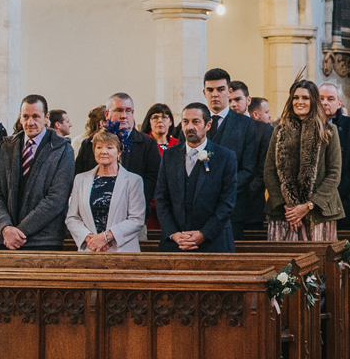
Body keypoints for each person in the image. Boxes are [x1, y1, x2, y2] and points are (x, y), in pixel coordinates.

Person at [0, 94, 75, 250]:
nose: (30, 122)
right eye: (25, 117)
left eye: (36, 116)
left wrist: (20, 232)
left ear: (46, 118)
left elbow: (57, 198)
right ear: (20, 118)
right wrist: (5, 227)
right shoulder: (6, 146)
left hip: (44, 241)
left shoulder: (62, 149)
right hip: (6, 240)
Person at [262, 80, 343, 241]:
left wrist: (308, 206)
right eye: (295, 97)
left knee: (319, 262)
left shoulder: (328, 131)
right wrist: (289, 208)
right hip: (284, 213)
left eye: (305, 98)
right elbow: (269, 172)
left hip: (319, 212)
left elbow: (334, 174)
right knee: (284, 264)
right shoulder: (279, 130)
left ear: (314, 100)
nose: (299, 102)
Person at [155, 102, 237, 252]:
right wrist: (174, 233)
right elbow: (161, 197)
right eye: (185, 122)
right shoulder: (169, 155)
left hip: (214, 243)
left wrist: (203, 233)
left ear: (208, 125)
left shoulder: (225, 157)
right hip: (175, 243)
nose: (189, 127)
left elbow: (227, 202)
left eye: (196, 122)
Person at [202, 68, 265, 236]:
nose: (215, 94)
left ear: (228, 91)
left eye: (220, 89)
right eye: (210, 90)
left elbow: (248, 168)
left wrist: (223, 192)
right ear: (204, 92)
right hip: (198, 209)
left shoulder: (245, 124)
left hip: (232, 208)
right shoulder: (195, 122)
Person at [66, 129, 149, 252]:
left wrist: (106, 237)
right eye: (99, 147)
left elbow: (136, 219)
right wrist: (91, 240)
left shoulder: (133, 180)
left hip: (121, 250)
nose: (103, 152)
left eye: (110, 147)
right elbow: (72, 217)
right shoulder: (80, 179)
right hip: (90, 249)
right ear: (94, 151)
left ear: (119, 152)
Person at [75, 91, 162, 182]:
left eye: (128, 111)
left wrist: (135, 194)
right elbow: (81, 176)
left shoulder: (147, 143)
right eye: (118, 110)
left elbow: (153, 178)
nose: (124, 116)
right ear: (107, 114)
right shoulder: (89, 144)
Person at [319, 81, 350, 228]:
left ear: (339, 103)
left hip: (345, 201)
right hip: (314, 204)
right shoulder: (305, 126)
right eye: (320, 99)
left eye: (330, 99)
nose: (325, 103)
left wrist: (333, 193)